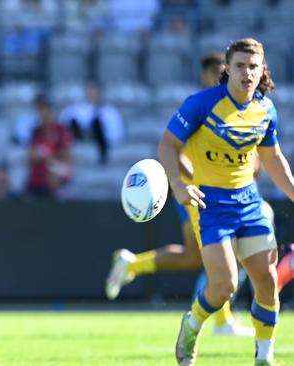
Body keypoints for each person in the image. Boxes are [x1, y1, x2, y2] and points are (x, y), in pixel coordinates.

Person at [159, 38, 294, 366]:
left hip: (249, 201)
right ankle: (191, 326)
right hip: (211, 204)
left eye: (254, 66)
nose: (247, 73)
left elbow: (272, 157)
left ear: (263, 70)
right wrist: (177, 185)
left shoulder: (265, 109)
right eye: (240, 66)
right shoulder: (201, 104)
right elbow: (167, 146)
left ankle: (264, 358)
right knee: (224, 287)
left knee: (267, 280)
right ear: (227, 69)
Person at [105, 52, 254, 337]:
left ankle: (133, 264)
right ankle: (222, 322)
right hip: (196, 190)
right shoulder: (204, 106)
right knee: (219, 251)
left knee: (195, 256)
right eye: (216, 73)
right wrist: (194, 178)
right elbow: (175, 148)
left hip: (200, 189)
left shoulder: (230, 106)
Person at [58, 81, 124, 164]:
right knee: (73, 121)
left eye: (95, 91)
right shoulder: (74, 110)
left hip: (99, 142)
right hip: (79, 139)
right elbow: (63, 127)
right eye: (90, 91)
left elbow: (115, 135)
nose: (92, 94)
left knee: (97, 121)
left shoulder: (110, 112)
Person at [26, 94, 72, 197]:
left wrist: (47, 154)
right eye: (39, 109)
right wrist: (46, 154)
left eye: (44, 108)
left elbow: (66, 155)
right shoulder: (36, 131)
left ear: (50, 109)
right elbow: (31, 156)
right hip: (36, 183)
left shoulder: (61, 130)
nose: (42, 112)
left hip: (56, 180)